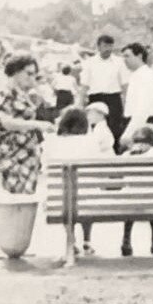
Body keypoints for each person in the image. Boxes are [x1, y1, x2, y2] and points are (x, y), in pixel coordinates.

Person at [48, 106, 106, 255]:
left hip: (59, 200)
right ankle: (87, 240)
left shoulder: (53, 141)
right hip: (88, 198)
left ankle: (71, 239)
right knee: (87, 192)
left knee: (68, 197)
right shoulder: (91, 141)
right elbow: (98, 168)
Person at [0, 55, 53, 196]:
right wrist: (37, 124)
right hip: (11, 150)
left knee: (28, 195)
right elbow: (6, 123)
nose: (32, 77)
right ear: (16, 71)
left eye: (34, 74)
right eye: (29, 73)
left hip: (29, 150)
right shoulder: (3, 92)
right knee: (16, 194)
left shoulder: (23, 94)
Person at [119, 123, 153, 257]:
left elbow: (120, 176)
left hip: (130, 200)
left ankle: (126, 240)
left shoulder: (127, 155)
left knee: (130, 196)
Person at [79, 34, 127, 146]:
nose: (108, 49)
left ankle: (115, 155)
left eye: (110, 46)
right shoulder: (89, 63)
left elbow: (125, 85)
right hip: (96, 98)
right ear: (98, 47)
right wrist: (80, 104)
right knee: (95, 127)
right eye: (105, 46)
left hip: (113, 99)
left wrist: (126, 104)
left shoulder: (119, 62)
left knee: (114, 128)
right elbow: (84, 85)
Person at [120, 42, 153, 144]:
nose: (124, 60)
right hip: (137, 123)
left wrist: (128, 133)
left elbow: (142, 108)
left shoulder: (146, 76)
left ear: (139, 56)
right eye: (123, 57)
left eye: (127, 56)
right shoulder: (136, 75)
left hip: (144, 126)